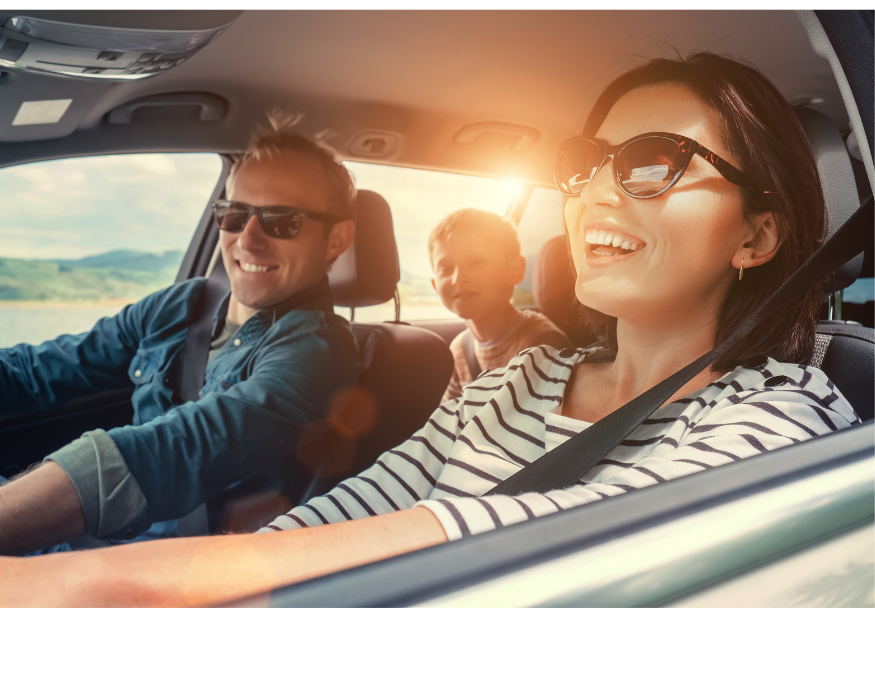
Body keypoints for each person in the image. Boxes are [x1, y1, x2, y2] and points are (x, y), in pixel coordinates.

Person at [0, 53, 861, 608]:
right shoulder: (515, 381)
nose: (595, 192)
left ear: (755, 234)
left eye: (649, 162)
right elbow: (348, 514)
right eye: (584, 164)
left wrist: (96, 581)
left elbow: (561, 534)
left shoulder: (782, 414)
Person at [0, 113, 359, 556]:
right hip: (103, 538)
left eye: (282, 221)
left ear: (337, 241)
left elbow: (177, 450)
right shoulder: (184, 305)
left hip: (168, 567)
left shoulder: (318, 350)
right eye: (234, 215)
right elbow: (40, 369)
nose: (248, 240)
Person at [429, 209, 571, 403]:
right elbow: (449, 421)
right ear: (435, 285)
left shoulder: (543, 344)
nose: (458, 278)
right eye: (446, 268)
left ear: (514, 271)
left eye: (475, 262)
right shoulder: (460, 349)